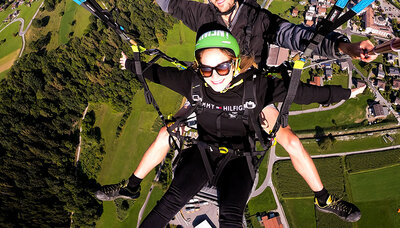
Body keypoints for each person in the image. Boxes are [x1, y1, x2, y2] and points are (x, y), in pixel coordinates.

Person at [95, 0, 374, 222]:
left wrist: (345, 48)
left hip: (250, 91)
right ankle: (131, 187)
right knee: (167, 132)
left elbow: (298, 37)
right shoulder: (204, 16)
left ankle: (323, 198)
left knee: (290, 142)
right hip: (209, 85)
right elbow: (168, 0)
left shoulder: (258, 18)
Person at [117, 28, 359, 227]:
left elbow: (304, 93)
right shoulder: (192, 83)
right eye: (206, 69)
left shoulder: (256, 87)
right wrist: (129, 64)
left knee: (231, 219)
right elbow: (157, 73)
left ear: (233, 63)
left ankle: (323, 198)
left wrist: (346, 93)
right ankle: (132, 186)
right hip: (203, 153)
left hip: (240, 159)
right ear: (199, 68)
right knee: (168, 204)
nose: (214, 77)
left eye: (222, 68)